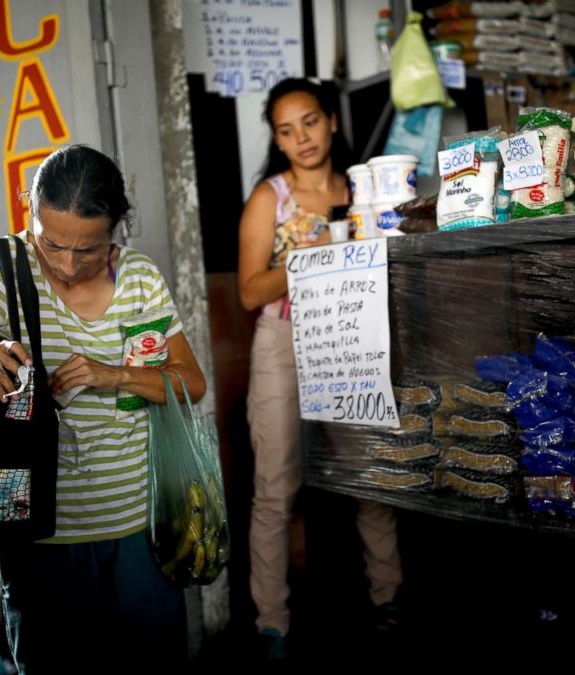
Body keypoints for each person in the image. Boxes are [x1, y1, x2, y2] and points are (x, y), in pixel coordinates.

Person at [0, 144, 206, 673]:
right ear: (29, 212)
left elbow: (190, 384)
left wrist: (117, 374)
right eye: (52, 243)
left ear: (115, 228)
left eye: (89, 249)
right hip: (40, 532)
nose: (67, 264)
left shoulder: (142, 278)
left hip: (138, 526)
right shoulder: (1, 268)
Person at [238, 78, 403, 661]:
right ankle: (271, 624)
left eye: (309, 121)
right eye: (286, 130)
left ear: (331, 120)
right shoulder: (270, 198)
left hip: (350, 339)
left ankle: (388, 600)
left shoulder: (360, 190)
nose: (301, 137)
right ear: (278, 141)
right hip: (283, 340)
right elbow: (250, 292)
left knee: (370, 477)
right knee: (275, 487)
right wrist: (307, 260)